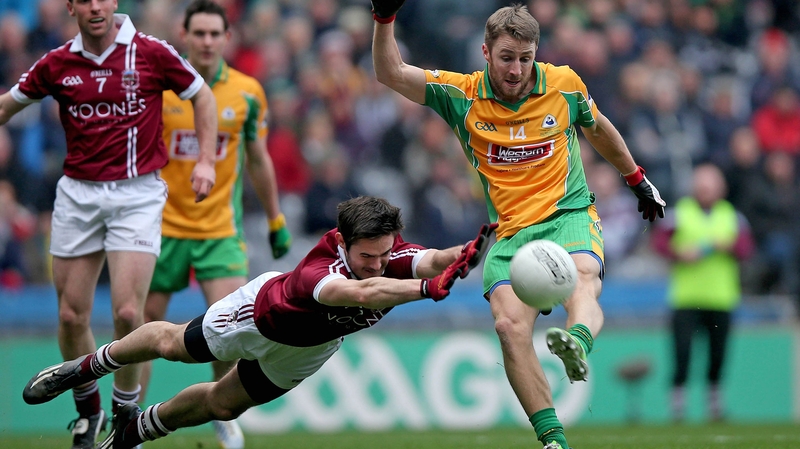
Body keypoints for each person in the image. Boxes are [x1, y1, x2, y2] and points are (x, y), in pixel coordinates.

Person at [371, 3, 665, 449]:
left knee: (583, 277)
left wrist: (636, 178)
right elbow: (390, 73)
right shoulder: (461, 94)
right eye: (506, 57)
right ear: (485, 52)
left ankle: (577, 342)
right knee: (509, 328)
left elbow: (597, 128)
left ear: (536, 54)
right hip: (510, 234)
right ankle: (553, 440)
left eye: (525, 58)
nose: (516, 69)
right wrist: (384, 19)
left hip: (568, 215)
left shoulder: (563, 84)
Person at [22, 196, 497, 449]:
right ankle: (84, 368)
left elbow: (433, 259)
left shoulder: (388, 254)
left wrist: (467, 253)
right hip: (260, 316)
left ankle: (133, 433)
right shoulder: (321, 271)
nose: (378, 264)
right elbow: (361, 293)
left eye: (385, 254)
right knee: (172, 345)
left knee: (223, 406)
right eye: (367, 257)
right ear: (343, 243)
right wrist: (425, 290)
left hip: (309, 349)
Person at [0, 1, 218, 447]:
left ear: (115, 2)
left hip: (136, 194)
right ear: (71, 7)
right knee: (70, 315)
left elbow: (202, 95)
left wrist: (206, 161)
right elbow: (7, 106)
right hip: (78, 195)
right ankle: (88, 411)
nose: (96, 6)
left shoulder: (151, 51)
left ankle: (125, 410)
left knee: (127, 313)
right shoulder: (57, 62)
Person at [139, 2, 291, 447]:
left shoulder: (247, 92)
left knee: (231, 326)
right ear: (184, 35)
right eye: (199, 33)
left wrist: (276, 218)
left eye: (213, 34)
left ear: (227, 38)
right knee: (141, 325)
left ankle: (220, 409)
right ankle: (129, 414)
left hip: (220, 230)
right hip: (161, 229)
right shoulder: (162, 89)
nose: (206, 41)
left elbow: (259, 159)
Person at [651, 163, 754, 422]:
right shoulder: (679, 214)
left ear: (721, 188)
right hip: (686, 297)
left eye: (710, 185)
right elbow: (659, 243)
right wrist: (680, 253)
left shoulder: (733, 216)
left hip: (721, 297)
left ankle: (715, 406)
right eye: (702, 185)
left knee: (718, 354)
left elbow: (746, 249)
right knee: (682, 352)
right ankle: (678, 406)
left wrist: (729, 246)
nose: (706, 190)